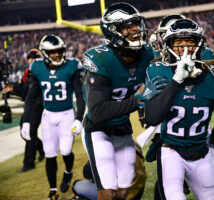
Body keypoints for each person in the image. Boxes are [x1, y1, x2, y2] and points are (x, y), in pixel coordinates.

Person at [138, 19, 214, 200]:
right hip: (170, 151)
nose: (184, 48)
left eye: (189, 42)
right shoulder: (159, 71)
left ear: (199, 44)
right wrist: (176, 81)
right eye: (178, 43)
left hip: (201, 152)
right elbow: (151, 118)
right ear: (168, 46)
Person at [81, 2, 154, 200]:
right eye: (128, 26)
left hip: (122, 129)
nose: (136, 30)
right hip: (98, 130)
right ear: (113, 31)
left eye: (136, 25)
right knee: (108, 191)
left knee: (124, 191)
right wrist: (140, 100)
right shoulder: (101, 59)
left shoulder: (147, 54)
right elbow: (97, 112)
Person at [21, 35, 85, 200]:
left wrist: (79, 118)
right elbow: (31, 97)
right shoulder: (37, 67)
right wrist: (27, 122)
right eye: (52, 52)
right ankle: (53, 190)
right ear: (44, 53)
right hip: (48, 116)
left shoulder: (72, 66)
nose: (57, 55)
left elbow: (79, 94)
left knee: (65, 150)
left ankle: (68, 171)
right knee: (50, 153)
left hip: (66, 114)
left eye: (59, 51)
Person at [2, 49, 45, 173]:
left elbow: (28, 89)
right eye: (30, 61)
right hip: (31, 105)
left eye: (33, 60)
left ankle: (29, 163)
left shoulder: (40, 71)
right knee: (24, 131)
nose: (31, 63)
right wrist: (12, 88)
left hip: (38, 105)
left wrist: (13, 87)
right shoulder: (29, 72)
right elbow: (25, 90)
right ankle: (41, 149)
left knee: (30, 133)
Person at [71, 143, 146, 200]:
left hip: (122, 195)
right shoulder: (131, 141)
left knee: (77, 185)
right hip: (139, 189)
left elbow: (87, 173)